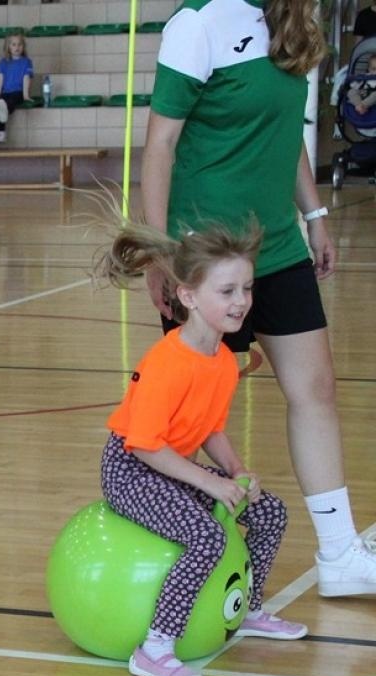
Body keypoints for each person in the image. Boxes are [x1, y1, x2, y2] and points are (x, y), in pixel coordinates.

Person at [143, 0, 376, 596]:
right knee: (190, 412)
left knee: (316, 389)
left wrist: (315, 216)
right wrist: (159, 251)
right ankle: (177, 548)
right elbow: (160, 145)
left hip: (277, 246)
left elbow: (286, 134)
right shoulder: (197, 23)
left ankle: (339, 552)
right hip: (207, 254)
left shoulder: (288, 20)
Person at [93, 219, 306, 676]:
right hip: (131, 470)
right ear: (188, 296)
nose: (241, 301)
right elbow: (144, 445)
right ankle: (155, 648)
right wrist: (210, 482)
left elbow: (210, 428)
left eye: (247, 288)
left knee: (270, 513)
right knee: (207, 537)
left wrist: (237, 471)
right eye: (227, 291)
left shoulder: (224, 360)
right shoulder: (166, 363)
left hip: (173, 465)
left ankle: (248, 609)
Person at [0, 32, 33, 144]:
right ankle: (1, 132)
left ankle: (2, 128)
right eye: (13, 44)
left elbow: (26, 78)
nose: (17, 47)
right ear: (8, 47)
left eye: (20, 44)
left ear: (23, 46)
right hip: (5, 92)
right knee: (0, 104)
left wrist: (26, 95)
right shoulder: (3, 62)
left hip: (18, 92)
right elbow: (0, 79)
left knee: (10, 101)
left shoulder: (26, 62)